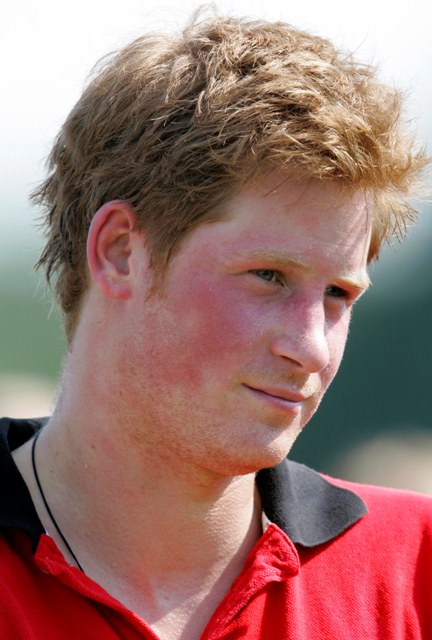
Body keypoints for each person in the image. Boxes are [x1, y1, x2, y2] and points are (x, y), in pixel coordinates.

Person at [1, 10, 431, 640]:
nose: (312, 348)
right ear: (120, 252)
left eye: (338, 294)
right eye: (269, 276)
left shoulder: (417, 568)